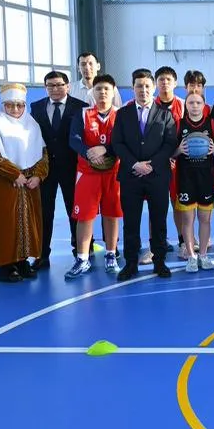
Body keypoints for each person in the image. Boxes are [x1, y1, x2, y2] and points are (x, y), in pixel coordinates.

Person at [112, 69, 177, 281]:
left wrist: (151, 165)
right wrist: (134, 164)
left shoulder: (165, 114)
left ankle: (159, 261)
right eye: (139, 86)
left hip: (157, 176)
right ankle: (131, 263)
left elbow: (169, 144)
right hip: (131, 176)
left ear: (154, 88)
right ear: (133, 88)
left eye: (147, 86)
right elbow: (117, 143)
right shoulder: (123, 114)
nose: (143, 90)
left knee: (158, 221)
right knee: (131, 222)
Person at [0, 83, 49, 282]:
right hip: (3, 182)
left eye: (19, 105)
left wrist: (38, 176)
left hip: (29, 184)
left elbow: (43, 154)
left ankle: (22, 261)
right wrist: (14, 174)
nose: (15, 109)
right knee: (5, 223)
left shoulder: (31, 124)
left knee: (28, 222)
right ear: (3, 105)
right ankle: (6, 266)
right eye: (10, 105)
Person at [67, 74, 123, 277]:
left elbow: (124, 141)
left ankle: (111, 254)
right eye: (99, 89)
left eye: (107, 89)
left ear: (113, 92)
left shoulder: (121, 115)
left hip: (113, 172)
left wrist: (106, 150)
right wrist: (88, 152)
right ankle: (82, 258)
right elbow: (74, 139)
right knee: (84, 216)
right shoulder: (82, 114)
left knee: (112, 214)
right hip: (87, 172)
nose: (103, 92)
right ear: (93, 92)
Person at [30, 71, 85, 270]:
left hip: (72, 168)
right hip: (45, 168)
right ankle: (42, 255)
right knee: (44, 212)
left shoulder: (81, 107)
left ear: (67, 86)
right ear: (45, 87)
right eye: (50, 85)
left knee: (75, 211)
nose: (55, 89)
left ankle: (80, 252)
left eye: (59, 85)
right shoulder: (36, 107)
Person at [140, 66, 186, 266]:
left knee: (178, 204)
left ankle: (183, 242)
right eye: (161, 79)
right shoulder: (149, 105)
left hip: (179, 163)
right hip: (155, 164)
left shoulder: (183, 105)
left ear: (175, 83)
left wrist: (175, 154)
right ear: (155, 84)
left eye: (168, 79)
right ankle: (155, 246)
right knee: (155, 205)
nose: (164, 83)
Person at [174, 91, 214, 272]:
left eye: (198, 103)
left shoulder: (212, 124)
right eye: (191, 103)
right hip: (186, 178)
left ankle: (204, 255)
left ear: (204, 105)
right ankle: (192, 256)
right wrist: (179, 150)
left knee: (205, 219)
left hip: (205, 177)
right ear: (186, 105)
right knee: (187, 219)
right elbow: (171, 153)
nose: (194, 106)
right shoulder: (179, 124)